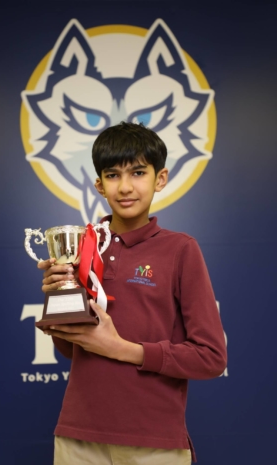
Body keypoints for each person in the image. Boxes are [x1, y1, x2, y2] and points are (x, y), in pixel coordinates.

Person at [38, 122, 227, 465]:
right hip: (77, 435)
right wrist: (57, 296)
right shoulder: (84, 246)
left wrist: (123, 349)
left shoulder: (180, 249)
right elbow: (69, 349)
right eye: (112, 175)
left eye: (138, 172)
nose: (125, 187)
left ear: (160, 178)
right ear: (99, 184)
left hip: (153, 441)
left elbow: (211, 357)